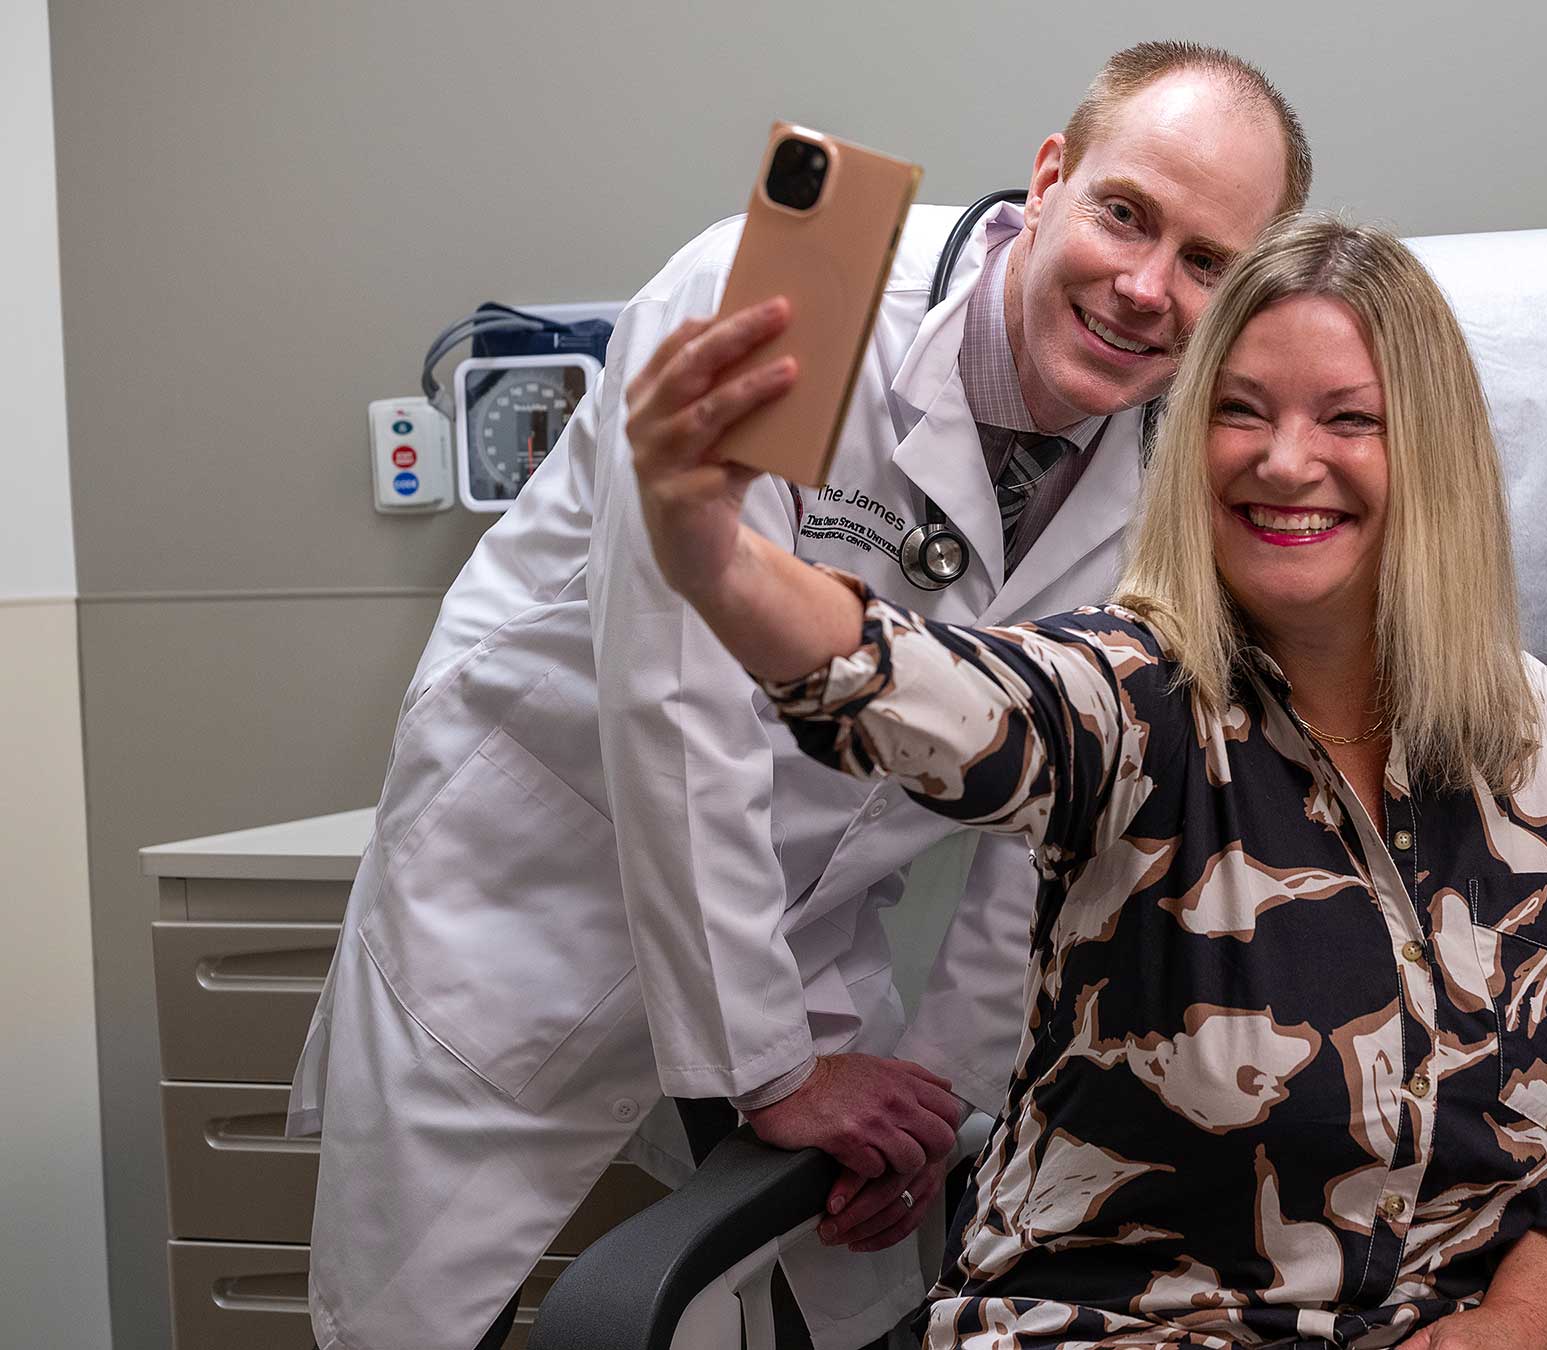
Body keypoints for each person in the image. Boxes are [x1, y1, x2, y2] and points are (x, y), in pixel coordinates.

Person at [287, 42, 1309, 1350]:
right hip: (539, 891)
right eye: (1126, 213)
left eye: (1209, 264)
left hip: (810, 921)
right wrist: (772, 1068)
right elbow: (677, 694)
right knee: (418, 1323)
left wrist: (939, 1101)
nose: (1146, 286)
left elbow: (1053, 831)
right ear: (1052, 177)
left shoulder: (1163, 493)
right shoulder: (786, 300)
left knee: (866, 1307)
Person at [631, 214, 1547, 1350]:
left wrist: (1519, 1318)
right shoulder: (1134, 700)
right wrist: (719, 560)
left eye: (1348, 419)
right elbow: (936, 695)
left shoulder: (1541, 739)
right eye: (1239, 410)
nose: (1284, 460)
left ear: (1434, 453)